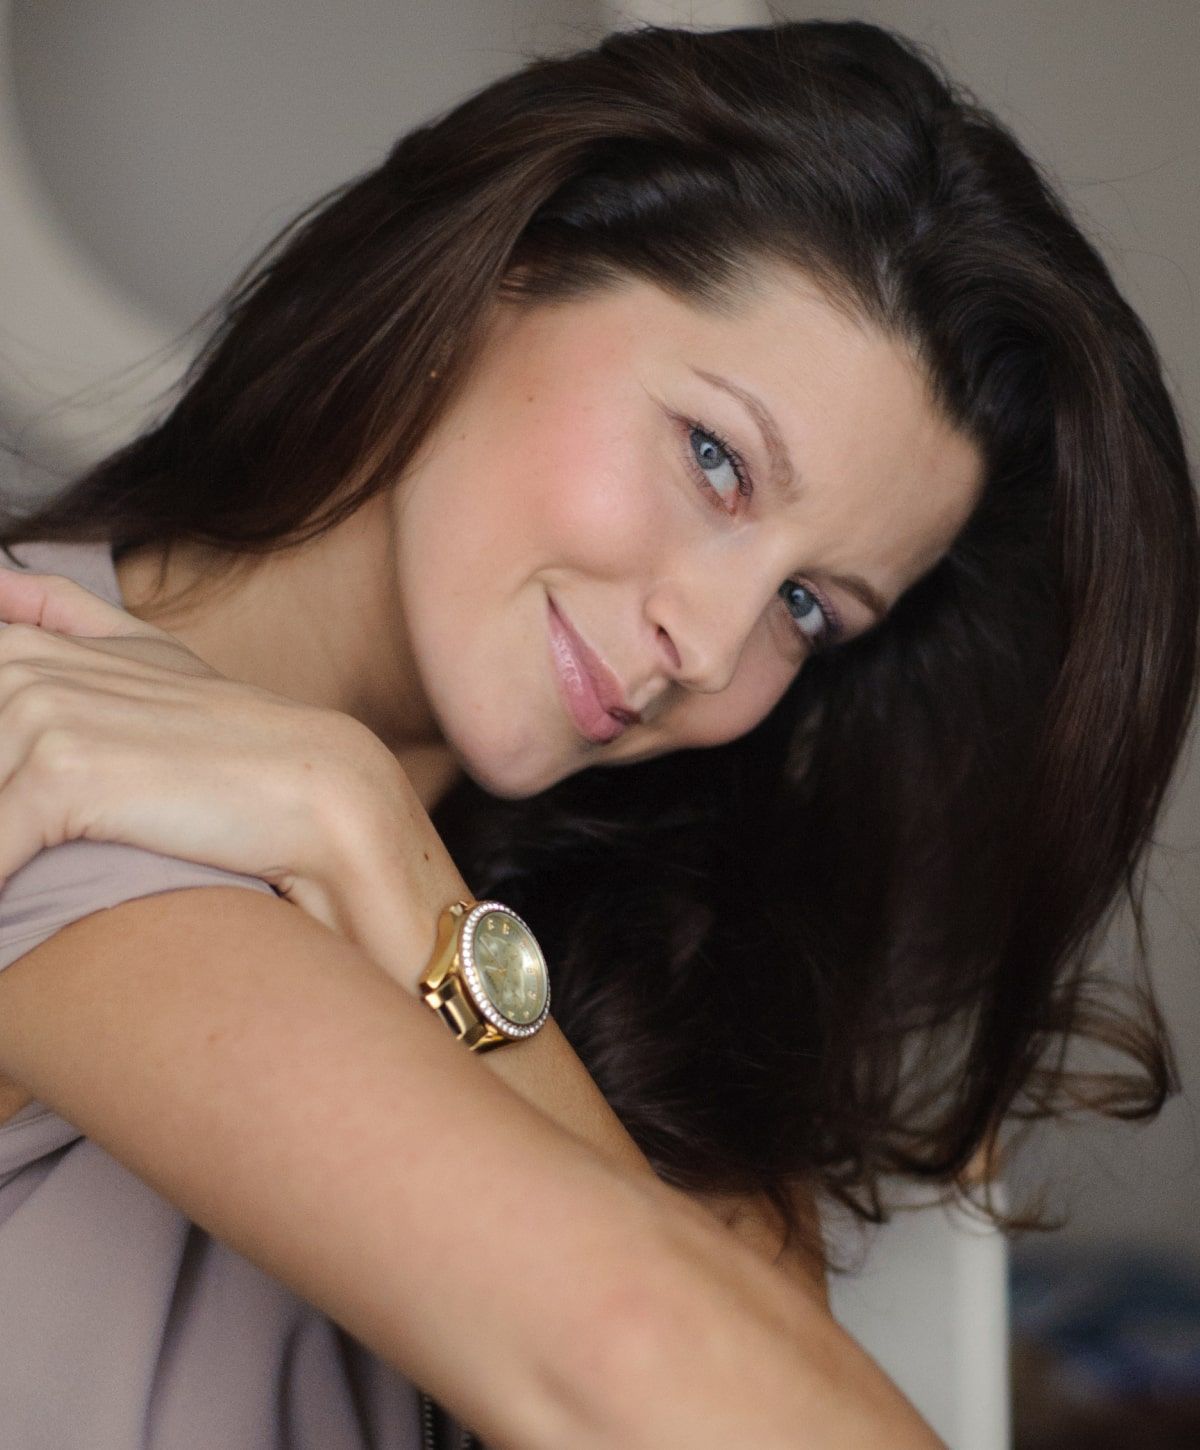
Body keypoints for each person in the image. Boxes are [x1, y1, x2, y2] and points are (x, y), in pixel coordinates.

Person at [0, 17, 1195, 1449]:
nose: (709, 640)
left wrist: (386, 852)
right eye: (715, 459)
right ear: (514, 265)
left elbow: (770, 1376)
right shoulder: (46, 722)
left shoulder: (641, 968)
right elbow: (656, 1360)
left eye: (809, 607)